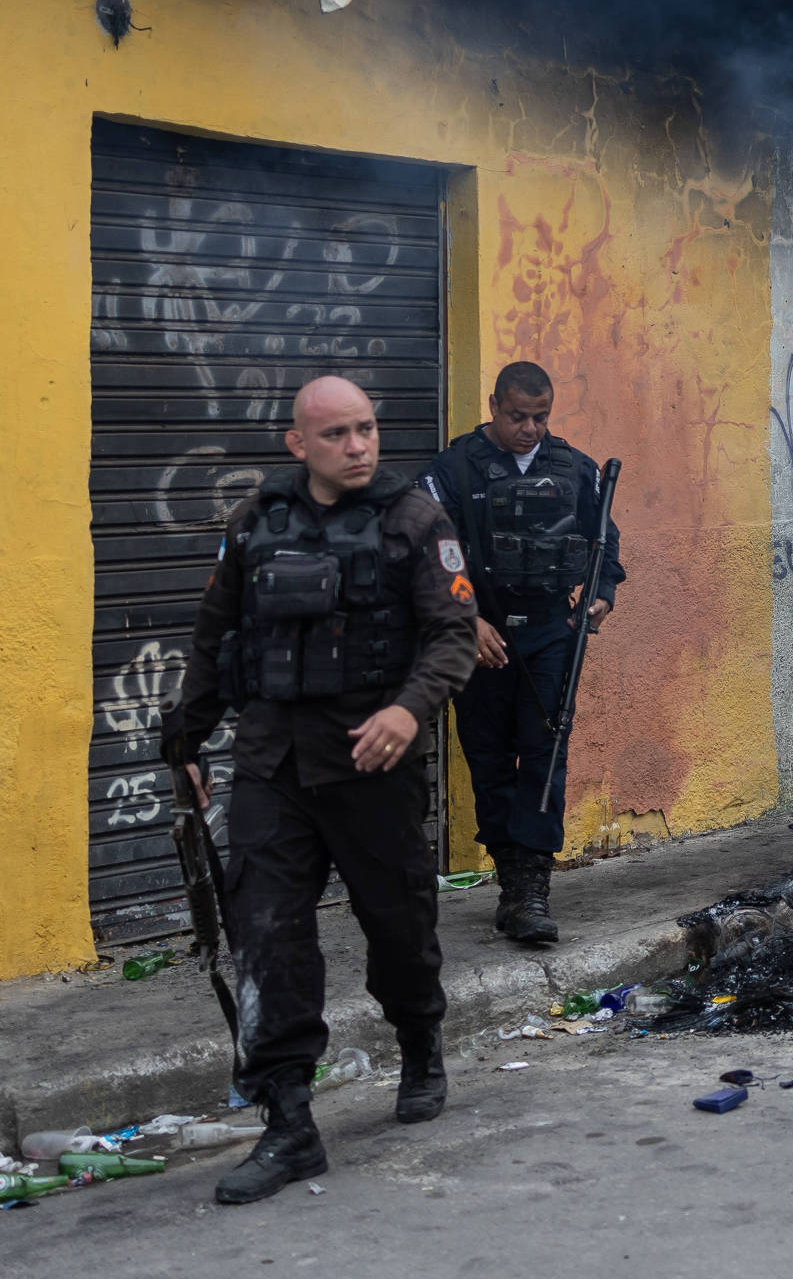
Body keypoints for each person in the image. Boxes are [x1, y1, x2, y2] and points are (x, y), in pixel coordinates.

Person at [161, 376, 480, 1204]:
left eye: (367, 429)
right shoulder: (255, 524)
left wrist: (409, 713)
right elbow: (213, 636)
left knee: (399, 922)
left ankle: (420, 1043)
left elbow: (450, 635)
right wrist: (186, 742)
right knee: (267, 936)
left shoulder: (416, 520)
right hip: (272, 767)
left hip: (370, 765)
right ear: (297, 444)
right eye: (337, 433)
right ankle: (290, 1122)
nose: (358, 446)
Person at [417, 361, 624, 943]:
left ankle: (529, 892)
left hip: (549, 635)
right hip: (478, 637)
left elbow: (604, 539)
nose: (530, 428)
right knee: (487, 758)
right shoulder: (454, 468)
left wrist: (602, 594)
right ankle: (512, 879)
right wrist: (465, 617)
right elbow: (428, 549)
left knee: (544, 755)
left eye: (540, 417)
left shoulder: (575, 468)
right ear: (493, 406)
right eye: (517, 417)